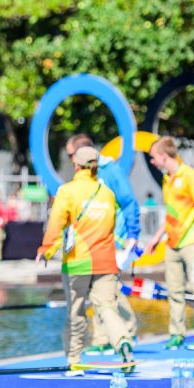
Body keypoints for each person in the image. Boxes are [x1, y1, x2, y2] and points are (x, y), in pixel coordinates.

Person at [36, 146, 133, 370]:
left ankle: (74, 359)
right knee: (107, 307)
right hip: (106, 261)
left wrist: (47, 250)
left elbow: (56, 225)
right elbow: (112, 225)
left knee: (76, 311)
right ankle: (123, 342)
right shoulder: (107, 193)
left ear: (76, 165)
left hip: (78, 261)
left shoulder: (67, 191)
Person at [65, 135, 140, 357]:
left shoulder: (110, 171)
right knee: (102, 290)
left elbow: (129, 202)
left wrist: (133, 235)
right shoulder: (85, 176)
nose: (70, 161)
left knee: (107, 289)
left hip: (113, 238)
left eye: (70, 155)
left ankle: (123, 333)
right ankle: (107, 337)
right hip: (92, 241)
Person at [143, 136, 194, 350]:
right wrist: (157, 236)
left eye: (153, 158)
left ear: (164, 156)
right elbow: (172, 213)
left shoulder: (190, 175)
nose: (152, 162)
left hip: (191, 242)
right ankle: (177, 334)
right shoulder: (167, 179)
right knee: (174, 291)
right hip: (172, 243)